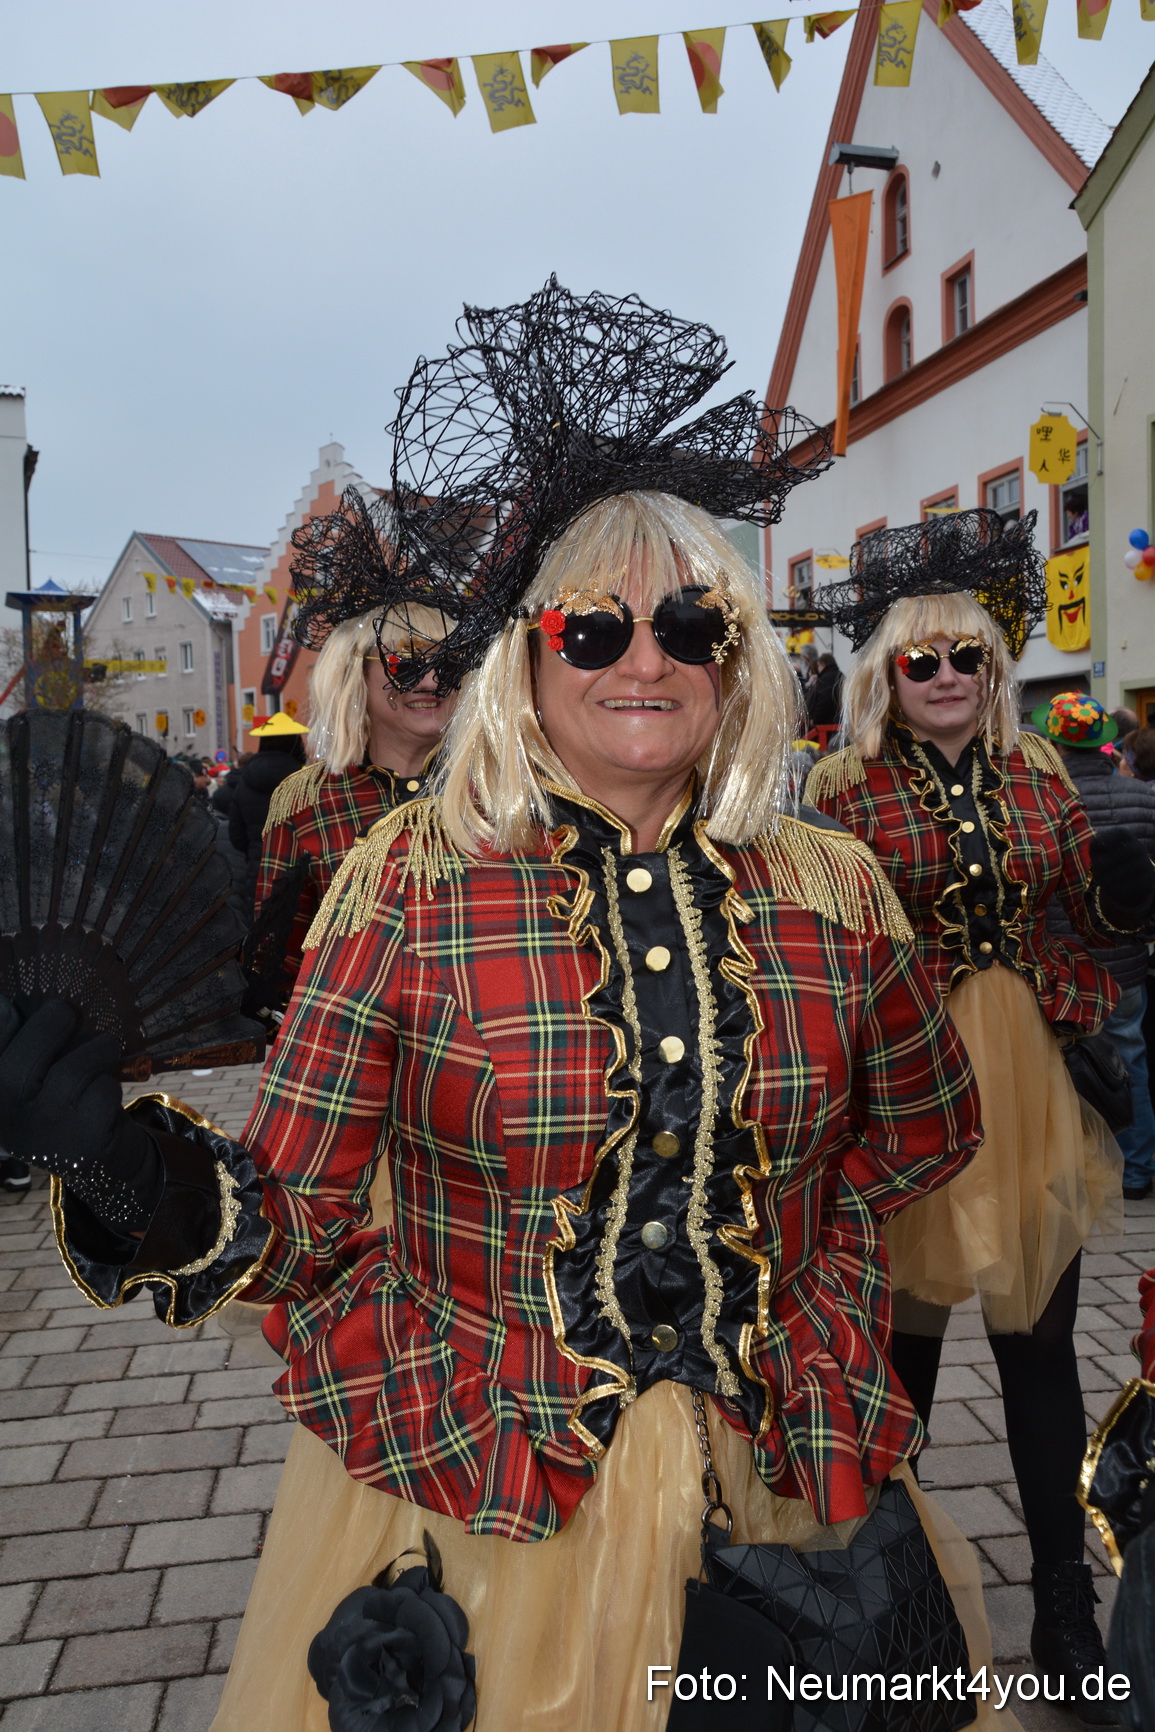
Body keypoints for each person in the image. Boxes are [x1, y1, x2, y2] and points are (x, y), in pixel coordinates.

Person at [0, 283, 1013, 1732]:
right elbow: (290, 1220)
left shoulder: (834, 885)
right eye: (591, 628)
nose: (643, 659)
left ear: (734, 655)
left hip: (788, 1476)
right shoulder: (404, 881)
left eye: (685, 621)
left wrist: (791, 1256)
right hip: (492, 1502)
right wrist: (110, 1158)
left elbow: (918, 1136)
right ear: (523, 659)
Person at [809, 509, 1155, 1724]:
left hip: (1027, 1083)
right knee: (901, 1360)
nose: (950, 678)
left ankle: (1061, 1616)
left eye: (971, 660)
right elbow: (823, 954)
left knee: (1041, 1350)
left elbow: (1077, 922)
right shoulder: (839, 789)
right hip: (905, 1091)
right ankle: (897, 1610)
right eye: (924, 661)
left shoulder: (1039, 773)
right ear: (887, 676)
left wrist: (1112, 934)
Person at [248, 603, 454, 1016]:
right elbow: (277, 966)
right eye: (406, 662)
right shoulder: (308, 801)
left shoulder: (504, 793)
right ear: (354, 675)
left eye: (450, 662)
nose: (433, 680)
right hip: (352, 1059)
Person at [1039, 693, 1155, 1200]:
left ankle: (1078, 1168)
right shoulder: (1145, 799)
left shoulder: (1045, 802)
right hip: (1128, 960)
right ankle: (1136, 1168)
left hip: (1066, 959)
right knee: (1131, 1059)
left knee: (1066, 1066)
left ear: (1056, 742)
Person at [227, 713, 309, 912]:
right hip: (302, 875)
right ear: (296, 744)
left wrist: (255, 849)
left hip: (258, 871)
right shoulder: (307, 780)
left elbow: (236, 835)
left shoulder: (245, 781)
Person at [806, 649, 843, 728]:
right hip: (839, 721)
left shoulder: (826, 679)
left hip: (826, 723)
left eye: (818, 665)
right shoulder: (840, 675)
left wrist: (815, 719)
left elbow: (824, 699)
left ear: (823, 664)